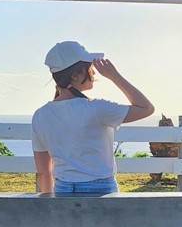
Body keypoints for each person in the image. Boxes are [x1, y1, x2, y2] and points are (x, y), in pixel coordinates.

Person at [32, 41, 154, 195]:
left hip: (62, 189)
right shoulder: (96, 108)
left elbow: (44, 172)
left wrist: (51, 207)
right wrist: (114, 76)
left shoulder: (40, 115)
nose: (94, 72)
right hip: (99, 189)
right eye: (89, 68)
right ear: (75, 75)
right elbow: (146, 108)